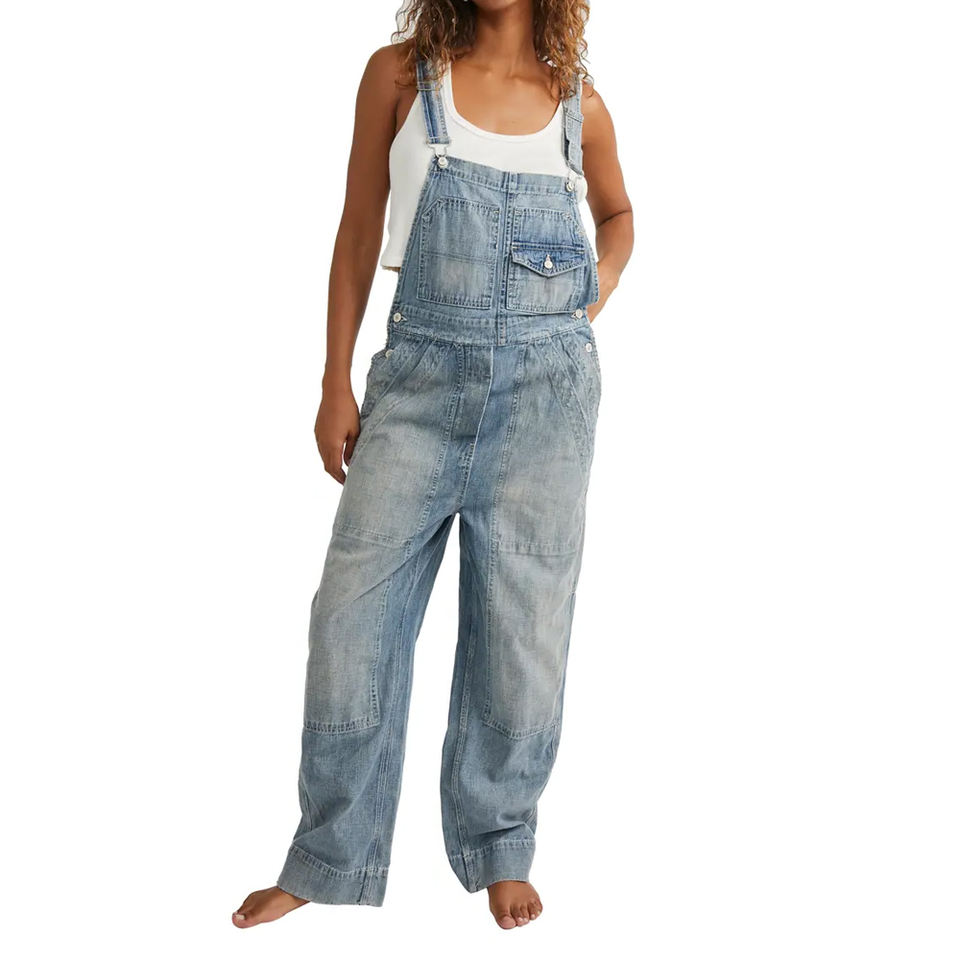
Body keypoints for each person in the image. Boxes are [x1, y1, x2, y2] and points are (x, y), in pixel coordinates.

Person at [234, 0, 632, 930]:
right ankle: (329, 853)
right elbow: (357, 230)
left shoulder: (579, 102)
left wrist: (596, 288)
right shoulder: (397, 76)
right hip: (416, 384)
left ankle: (501, 844)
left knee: (522, 633)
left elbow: (618, 213)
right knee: (350, 622)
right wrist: (334, 380)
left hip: (547, 398)